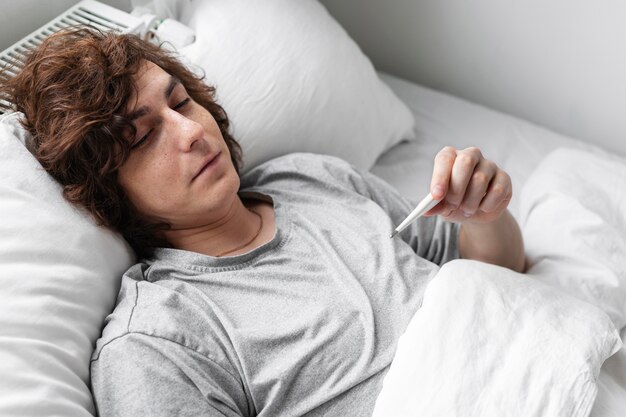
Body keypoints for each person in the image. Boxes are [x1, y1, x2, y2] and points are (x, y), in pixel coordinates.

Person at [1, 28, 525, 416]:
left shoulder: (311, 177)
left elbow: (493, 276)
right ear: (107, 192)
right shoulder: (160, 341)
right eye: (141, 137)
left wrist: (484, 215)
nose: (190, 132)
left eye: (181, 101)